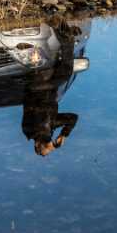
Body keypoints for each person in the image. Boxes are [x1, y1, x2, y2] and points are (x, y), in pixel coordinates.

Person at [21, 24, 80, 157]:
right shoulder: (51, 127)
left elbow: (38, 114)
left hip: (36, 89)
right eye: (50, 148)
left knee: (43, 62)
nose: (51, 146)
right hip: (50, 87)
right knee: (66, 73)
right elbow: (73, 118)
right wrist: (64, 134)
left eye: (46, 148)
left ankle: (51, 31)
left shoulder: (30, 131)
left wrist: (47, 137)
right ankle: (66, 35)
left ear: (37, 145)